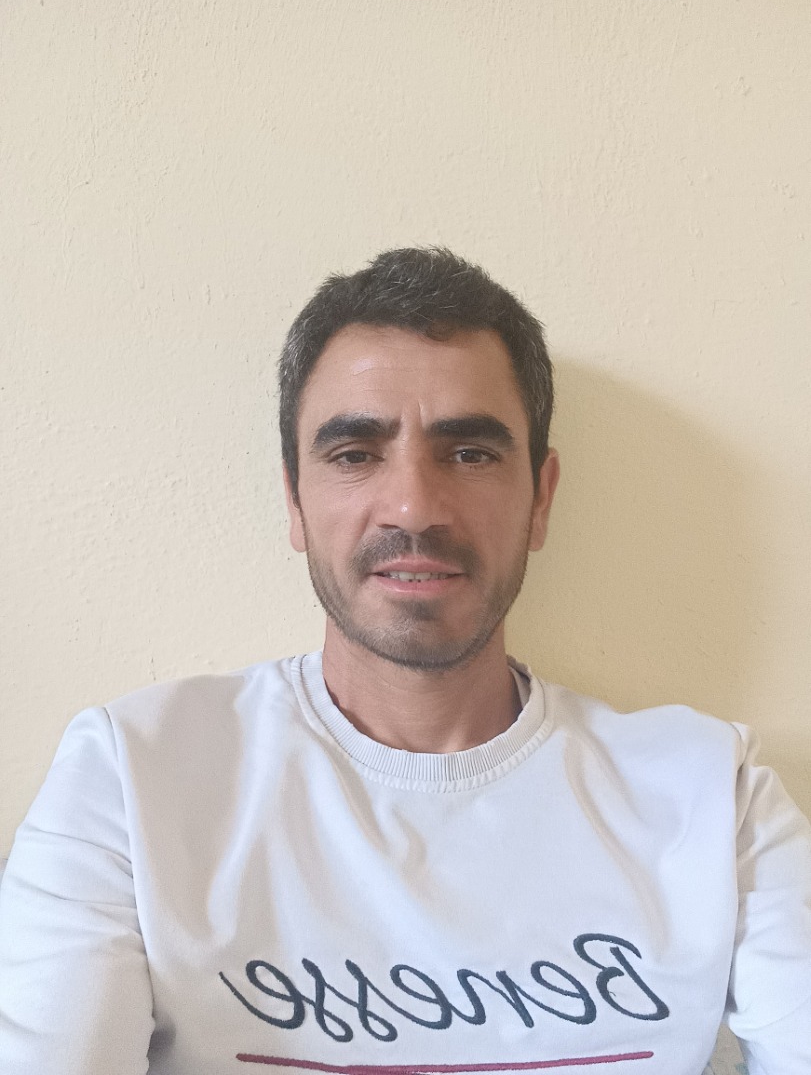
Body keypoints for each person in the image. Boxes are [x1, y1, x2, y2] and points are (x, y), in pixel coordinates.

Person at [0, 248, 809, 1075]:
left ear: (540, 498)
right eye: (355, 453)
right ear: (294, 500)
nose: (414, 507)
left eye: (470, 453)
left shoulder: (716, 798)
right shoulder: (131, 779)